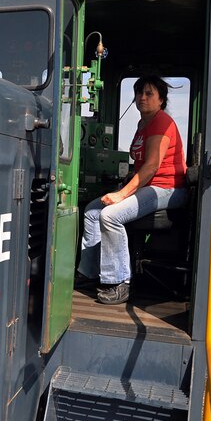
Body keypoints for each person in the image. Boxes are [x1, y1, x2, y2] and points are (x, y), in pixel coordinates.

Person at [76, 76, 188, 304]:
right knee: (92, 211)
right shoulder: (142, 124)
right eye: (139, 93)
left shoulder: (161, 122)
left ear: (161, 100)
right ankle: (91, 272)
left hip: (167, 188)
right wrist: (126, 182)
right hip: (149, 185)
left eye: (148, 94)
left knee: (110, 216)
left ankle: (119, 283)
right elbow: (139, 165)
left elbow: (152, 165)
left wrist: (122, 194)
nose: (142, 98)